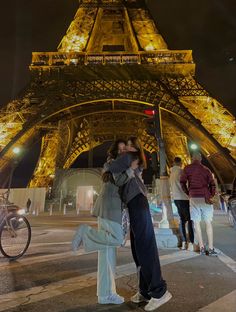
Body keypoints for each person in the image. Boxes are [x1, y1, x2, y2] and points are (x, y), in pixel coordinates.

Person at [106, 136, 172, 312]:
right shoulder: (129, 160)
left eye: (128, 146)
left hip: (138, 202)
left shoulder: (129, 158)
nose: (125, 149)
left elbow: (110, 168)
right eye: (122, 147)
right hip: (134, 203)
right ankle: (145, 291)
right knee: (138, 249)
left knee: (145, 247)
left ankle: (159, 291)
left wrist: (115, 163)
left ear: (135, 148)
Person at [71, 139, 136, 305]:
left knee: (107, 253)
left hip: (109, 207)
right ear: (114, 152)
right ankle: (86, 232)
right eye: (120, 150)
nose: (123, 152)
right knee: (115, 240)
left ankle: (105, 294)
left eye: (124, 150)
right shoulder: (113, 164)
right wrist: (131, 170)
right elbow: (120, 181)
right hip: (110, 207)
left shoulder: (114, 164)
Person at [180, 151, 217, 256]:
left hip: (194, 197)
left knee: (196, 223)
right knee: (208, 222)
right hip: (205, 197)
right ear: (200, 159)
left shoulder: (187, 168)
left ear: (192, 158)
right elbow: (212, 184)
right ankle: (210, 248)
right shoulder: (206, 169)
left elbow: (182, 182)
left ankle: (201, 247)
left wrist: (188, 192)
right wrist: (211, 194)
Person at [169, 157, 194, 251]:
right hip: (184, 199)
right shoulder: (181, 172)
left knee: (182, 220)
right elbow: (184, 185)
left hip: (176, 199)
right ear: (180, 163)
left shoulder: (171, 173)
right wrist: (189, 194)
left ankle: (184, 242)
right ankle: (191, 242)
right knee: (190, 220)